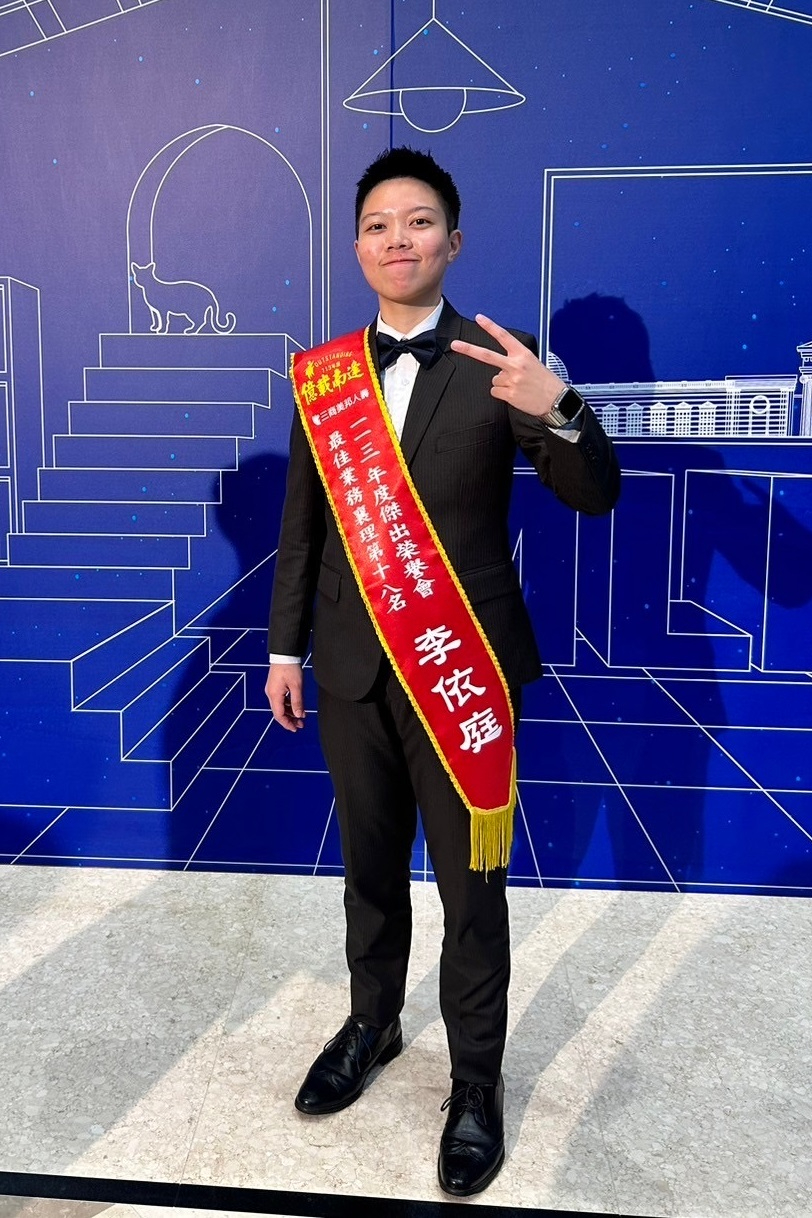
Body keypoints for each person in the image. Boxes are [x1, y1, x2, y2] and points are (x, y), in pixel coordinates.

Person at [265, 146, 620, 1197]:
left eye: (418, 222)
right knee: (368, 874)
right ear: (357, 246)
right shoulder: (326, 377)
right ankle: (371, 1025)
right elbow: (303, 526)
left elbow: (593, 495)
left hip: (459, 668)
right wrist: (284, 647)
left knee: (472, 892)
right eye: (378, 224)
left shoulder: (498, 362)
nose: (398, 239)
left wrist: (561, 407)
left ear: (452, 241)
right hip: (348, 668)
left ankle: (473, 1084)